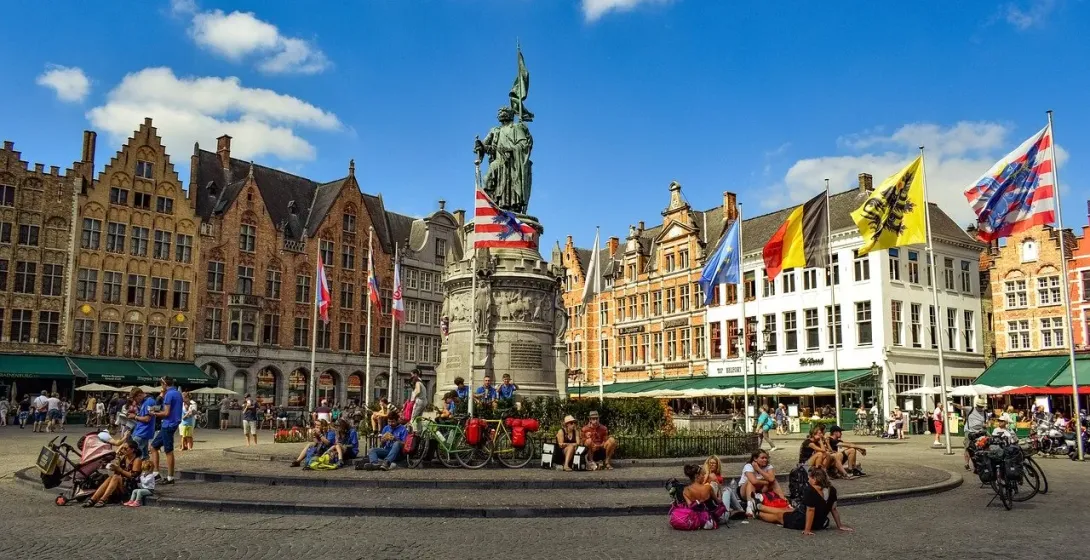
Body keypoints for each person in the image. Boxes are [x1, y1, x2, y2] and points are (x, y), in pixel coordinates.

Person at [780, 467, 852, 535]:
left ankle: (768, 510)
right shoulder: (832, 489)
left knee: (778, 515)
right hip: (819, 522)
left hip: (802, 520)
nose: (808, 480)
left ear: (814, 479)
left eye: (809, 478)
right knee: (784, 511)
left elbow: (811, 510)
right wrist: (840, 525)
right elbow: (833, 509)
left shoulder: (810, 490)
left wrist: (807, 530)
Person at [150, 377, 183, 485]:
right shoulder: (177, 393)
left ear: (164, 384)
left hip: (168, 424)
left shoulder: (169, 394)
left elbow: (166, 413)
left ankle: (170, 477)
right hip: (171, 423)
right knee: (154, 446)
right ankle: (156, 473)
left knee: (168, 451)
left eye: (161, 384)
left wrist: (154, 414)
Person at [84, 442, 137, 507]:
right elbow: (118, 473)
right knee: (112, 477)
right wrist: (116, 466)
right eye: (122, 448)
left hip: (130, 487)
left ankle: (103, 499)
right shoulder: (124, 458)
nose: (123, 450)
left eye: (125, 448)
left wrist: (120, 470)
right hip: (122, 483)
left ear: (132, 450)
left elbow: (133, 476)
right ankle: (94, 498)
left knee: (115, 477)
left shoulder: (137, 460)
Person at [738, 449, 786, 518]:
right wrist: (766, 482)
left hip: (761, 490)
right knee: (750, 481)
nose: (765, 460)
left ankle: (784, 500)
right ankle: (749, 507)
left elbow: (772, 479)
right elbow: (754, 481)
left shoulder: (769, 466)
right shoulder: (748, 466)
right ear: (755, 458)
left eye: (766, 458)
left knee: (774, 481)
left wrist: (758, 469)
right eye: (762, 458)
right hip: (745, 491)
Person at [681, 464, 725, 530]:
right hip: (714, 517)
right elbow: (718, 501)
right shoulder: (708, 487)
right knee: (727, 490)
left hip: (699, 519)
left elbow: (691, 506)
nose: (704, 476)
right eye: (702, 474)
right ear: (697, 476)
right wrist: (719, 490)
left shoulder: (686, 490)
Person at [127, 387, 157, 474]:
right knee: (144, 456)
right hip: (141, 431)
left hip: (142, 432)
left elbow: (147, 419)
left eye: (135, 399)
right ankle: (146, 474)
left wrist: (135, 417)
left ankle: (134, 473)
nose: (135, 402)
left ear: (140, 395)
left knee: (134, 454)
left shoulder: (150, 402)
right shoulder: (144, 402)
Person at [957, 397, 990, 471]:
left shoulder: (985, 413)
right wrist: (952, 403)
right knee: (968, 447)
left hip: (980, 431)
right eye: (979, 406)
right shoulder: (970, 409)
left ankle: (982, 462)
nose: (980, 408)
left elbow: (987, 423)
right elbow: (961, 407)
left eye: (981, 406)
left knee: (987, 443)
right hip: (969, 431)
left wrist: (986, 425)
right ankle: (967, 464)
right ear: (976, 405)